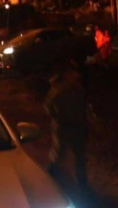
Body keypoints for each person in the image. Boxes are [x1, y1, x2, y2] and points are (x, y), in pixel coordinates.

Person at [45, 59, 89, 195]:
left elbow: (83, 108)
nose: (76, 76)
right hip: (63, 126)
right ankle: (48, 178)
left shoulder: (79, 89)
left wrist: (85, 123)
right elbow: (47, 106)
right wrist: (57, 118)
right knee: (58, 154)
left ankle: (82, 183)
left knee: (80, 156)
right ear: (68, 74)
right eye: (73, 73)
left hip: (77, 126)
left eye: (77, 73)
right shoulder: (59, 89)